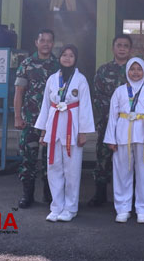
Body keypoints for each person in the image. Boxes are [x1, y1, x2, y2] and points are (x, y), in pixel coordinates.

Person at [36, 44, 94, 222]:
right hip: (54, 127)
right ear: (59, 58)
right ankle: (56, 206)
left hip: (72, 127)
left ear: (76, 59)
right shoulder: (52, 79)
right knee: (53, 167)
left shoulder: (81, 80)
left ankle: (70, 208)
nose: (67, 58)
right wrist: (43, 131)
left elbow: (84, 106)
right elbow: (46, 105)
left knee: (72, 170)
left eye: (71, 55)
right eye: (64, 55)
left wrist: (83, 132)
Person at [104, 57, 144, 224]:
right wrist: (111, 138)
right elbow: (113, 117)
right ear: (127, 71)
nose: (135, 72)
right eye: (132, 69)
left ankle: (143, 209)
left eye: (139, 69)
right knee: (122, 172)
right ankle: (123, 208)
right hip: (123, 134)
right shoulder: (119, 91)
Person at [14, 29, 60, 209]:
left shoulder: (57, 66)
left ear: (53, 44)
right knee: (28, 159)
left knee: (51, 160)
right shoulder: (26, 64)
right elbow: (19, 92)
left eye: (49, 41)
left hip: (52, 122)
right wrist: (17, 116)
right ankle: (27, 195)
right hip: (30, 121)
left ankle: (49, 196)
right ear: (36, 42)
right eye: (43, 40)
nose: (46, 44)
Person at [88, 34, 133, 207]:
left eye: (126, 46)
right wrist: (112, 116)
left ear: (130, 49)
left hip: (129, 123)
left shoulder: (135, 71)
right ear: (113, 48)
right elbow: (97, 96)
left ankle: (127, 196)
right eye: (119, 45)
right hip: (107, 122)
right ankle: (100, 194)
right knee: (103, 156)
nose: (122, 48)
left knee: (128, 159)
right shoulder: (103, 70)